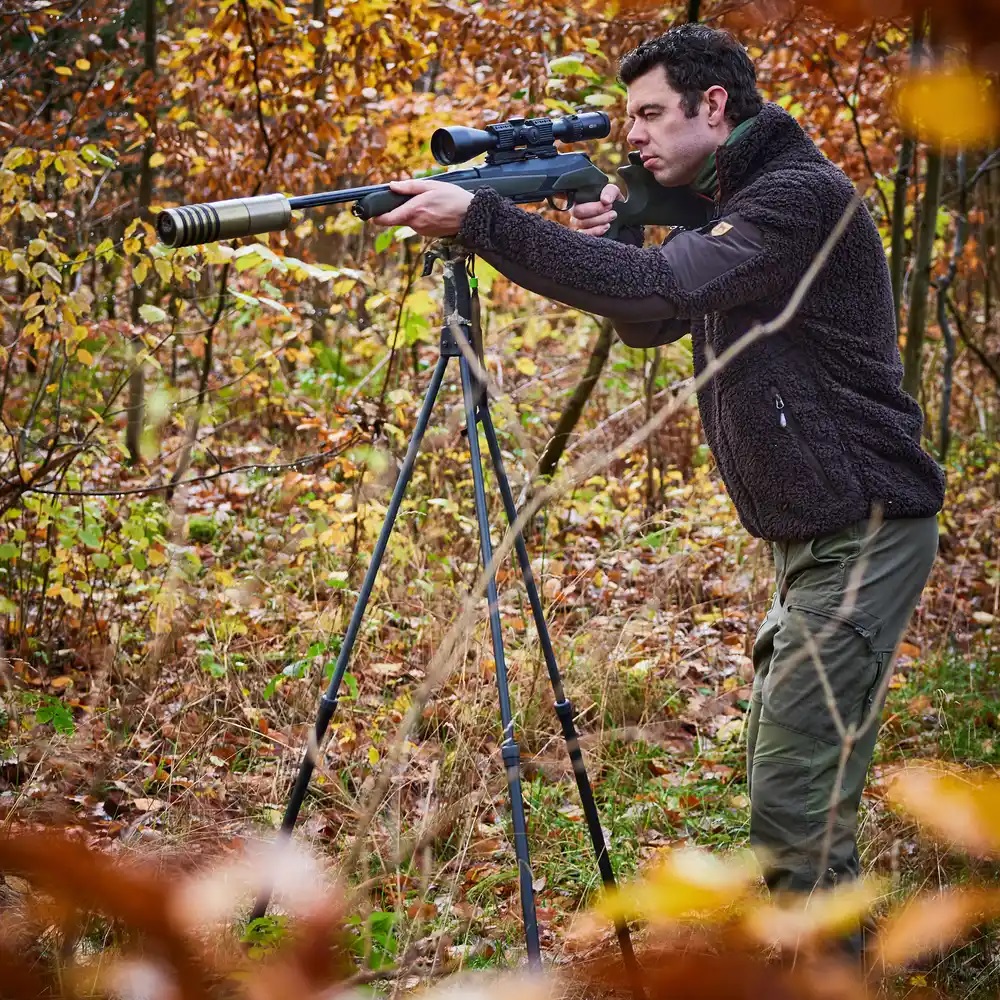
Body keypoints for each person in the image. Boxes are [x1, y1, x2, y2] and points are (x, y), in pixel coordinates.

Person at [370, 24, 946, 955]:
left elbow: (665, 290)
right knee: (789, 778)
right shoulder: (733, 204)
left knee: (793, 799)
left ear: (712, 107)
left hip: (864, 529)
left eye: (648, 113)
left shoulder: (799, 197)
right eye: (627, 115)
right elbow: (652, 319)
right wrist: (629, 228)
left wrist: (482, 220)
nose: (630, 134)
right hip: (813, 537)